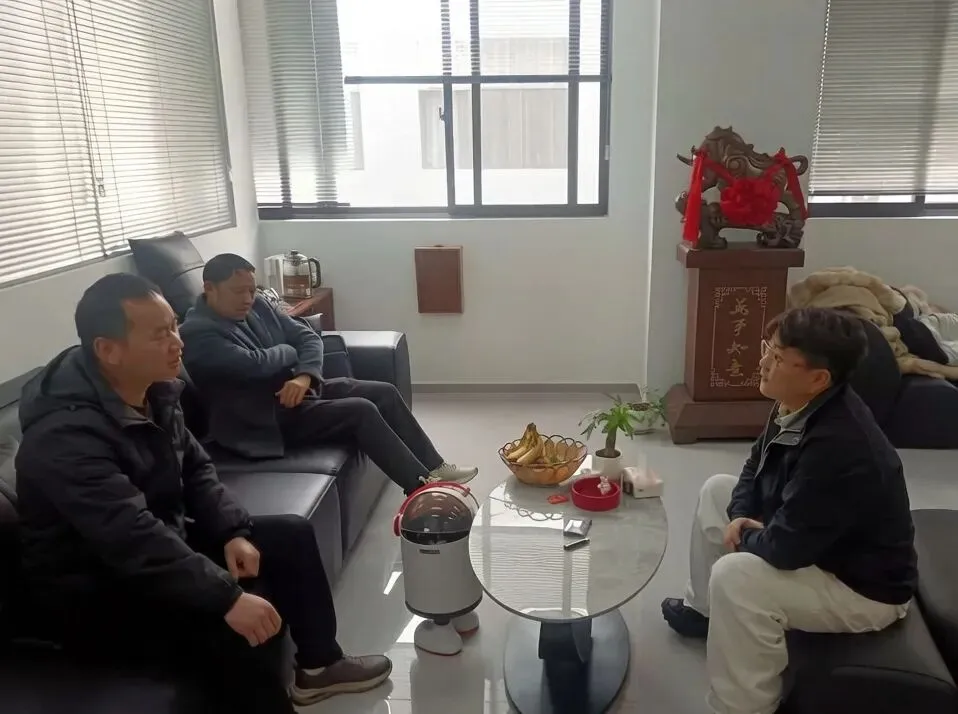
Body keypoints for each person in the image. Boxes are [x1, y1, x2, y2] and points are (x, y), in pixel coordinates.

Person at [14, 273, 391, 714]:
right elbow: (129, 536)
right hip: (96, 587)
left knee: (288, 535)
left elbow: (195, 467)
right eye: (160, 335)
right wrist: (225, 596)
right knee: (233, 626)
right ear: (108, 350)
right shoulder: (65, 437)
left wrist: (231, 531)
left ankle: (319, 666)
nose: (177, 342)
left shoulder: (154, 390)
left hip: (156, 545)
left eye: (174, 326)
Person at [660, 307, 917, 714]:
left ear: (818, 378)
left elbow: (785, 549)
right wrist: (739, 514)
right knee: (717, 490)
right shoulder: (798, 401)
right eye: (768, 348)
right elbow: (754, 465)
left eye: (778, 357)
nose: (763, 361)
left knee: (736, 577)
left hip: (861, 586)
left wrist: (744, 534)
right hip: (818, 543)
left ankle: (744, 707)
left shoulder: (841, 447)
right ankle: (704, 612)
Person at [179, 253, 477, 495]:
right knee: (360, 411)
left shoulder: (257, 305)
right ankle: (422, 489)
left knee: (382, 392)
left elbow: (308, 336)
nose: (247, 298)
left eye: (251, 289)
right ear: (209, 288)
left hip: (294, 394)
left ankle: (435, 466)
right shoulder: (197, 333)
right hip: (259, 419)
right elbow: (255, 364)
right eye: (237, 291)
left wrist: (304, 376)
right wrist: (289, 351)